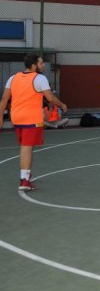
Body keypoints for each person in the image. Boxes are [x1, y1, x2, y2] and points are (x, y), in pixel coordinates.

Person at [0, 53, 68, 191]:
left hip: (17, 118)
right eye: (41, 63)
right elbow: (50, 98)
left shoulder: (13, 78)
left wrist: (1, 117)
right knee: (27, 147)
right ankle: (24, 180)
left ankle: (27, 174)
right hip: (31, 118)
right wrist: (62, 105)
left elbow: (4, 100)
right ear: (33, 66)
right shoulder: (39, 78)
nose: (43, 65)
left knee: (26, 146)